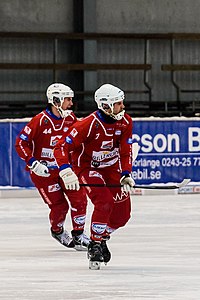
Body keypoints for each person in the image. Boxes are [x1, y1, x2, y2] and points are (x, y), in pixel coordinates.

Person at [53, 83, 135, 269]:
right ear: (106, 106)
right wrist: (66, 170)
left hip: (112, 169)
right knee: (104, 201)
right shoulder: (87, 125)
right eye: (119, 103)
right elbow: (60, 147)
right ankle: (95, 244)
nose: (123, 107)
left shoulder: (126, 122)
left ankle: (102, 236)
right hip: (88, 168)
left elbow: (125, 151)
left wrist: (126, 174)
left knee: (123, 215)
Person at [15, 83, 90, 251]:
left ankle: (78, 235)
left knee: (80, 199)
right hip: (44, 173)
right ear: (56, 101)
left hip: (65, 170)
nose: (71, 103)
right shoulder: (39, 121)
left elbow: (80, 142)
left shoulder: (71, 119)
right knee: (60, 206)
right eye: (68, 100)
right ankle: (57, 231)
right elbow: (20, 143)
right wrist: (33, 163)